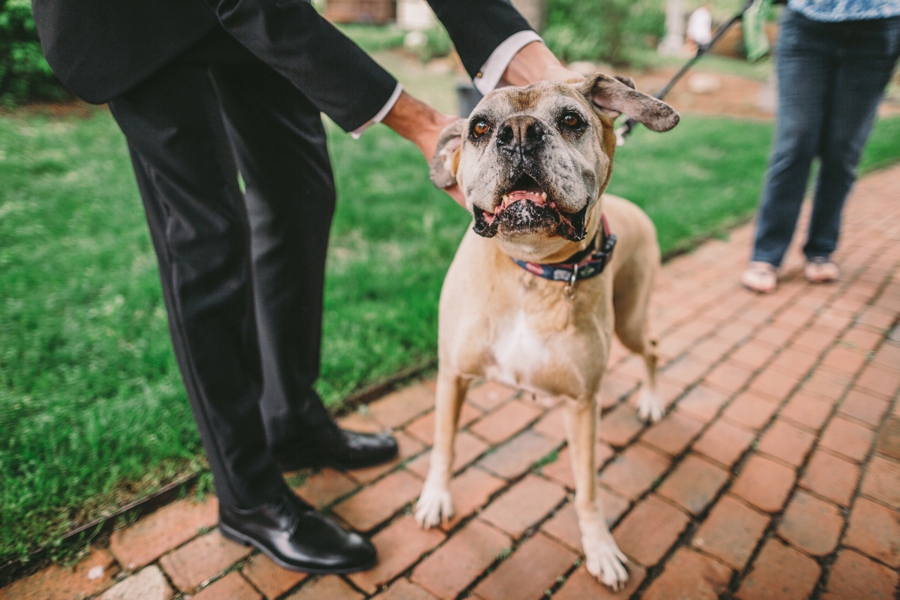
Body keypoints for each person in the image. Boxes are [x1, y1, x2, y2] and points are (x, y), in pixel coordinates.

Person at [31, 0, 580, 574]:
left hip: (234, 12)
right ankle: (247, 494)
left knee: (299, 190)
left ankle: (290, 419)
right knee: (206, 237)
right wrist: (419, 122)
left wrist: (529, 55)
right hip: (131, 20)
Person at [741, 0, 900, 293]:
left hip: (878, 27)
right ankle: (766, 255)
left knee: (843, 148)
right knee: (796, 141)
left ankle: (821, 248)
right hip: (808, 22)